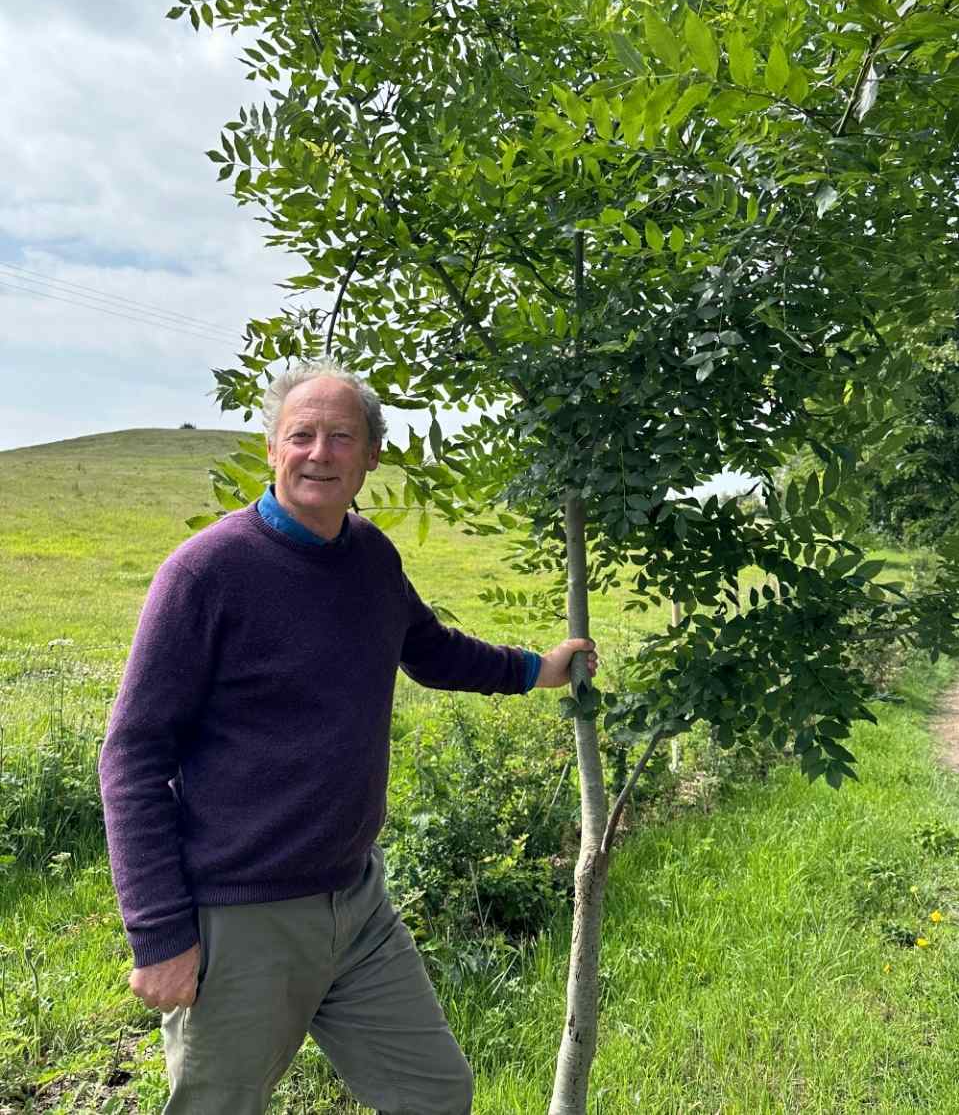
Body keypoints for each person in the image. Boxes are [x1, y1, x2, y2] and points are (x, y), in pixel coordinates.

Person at [98, 358, 597, 1115]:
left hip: (357, 903)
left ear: (370, 458)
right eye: (301, 435)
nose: (319, 453)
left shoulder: (369, 556)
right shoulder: (207, 574)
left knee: (434, 1093)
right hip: (244, 916)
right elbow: (132, 755)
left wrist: (537, 669)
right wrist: (159, 932)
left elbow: (429, 649)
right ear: (271, 449)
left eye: (341, 437)